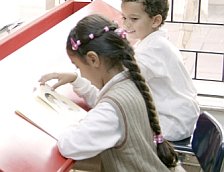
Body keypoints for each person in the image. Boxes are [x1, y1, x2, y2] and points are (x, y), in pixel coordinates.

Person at [39, 14, 181, 172]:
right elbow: (104, 101)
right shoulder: (131, 80)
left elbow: (69, 145)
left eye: (78, 67)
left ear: (93, 59)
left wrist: (65, 123)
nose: (81, 73)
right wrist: (76, 80)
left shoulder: (111, 110)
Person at [120, 0, 200, 142]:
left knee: (116, 132)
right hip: (181, 117)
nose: (126, 24)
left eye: (133, 19)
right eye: (124, 17)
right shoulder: (155, 42)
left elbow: (122, 81)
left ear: (155, 21)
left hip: (172, 123)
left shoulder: (152, 51)